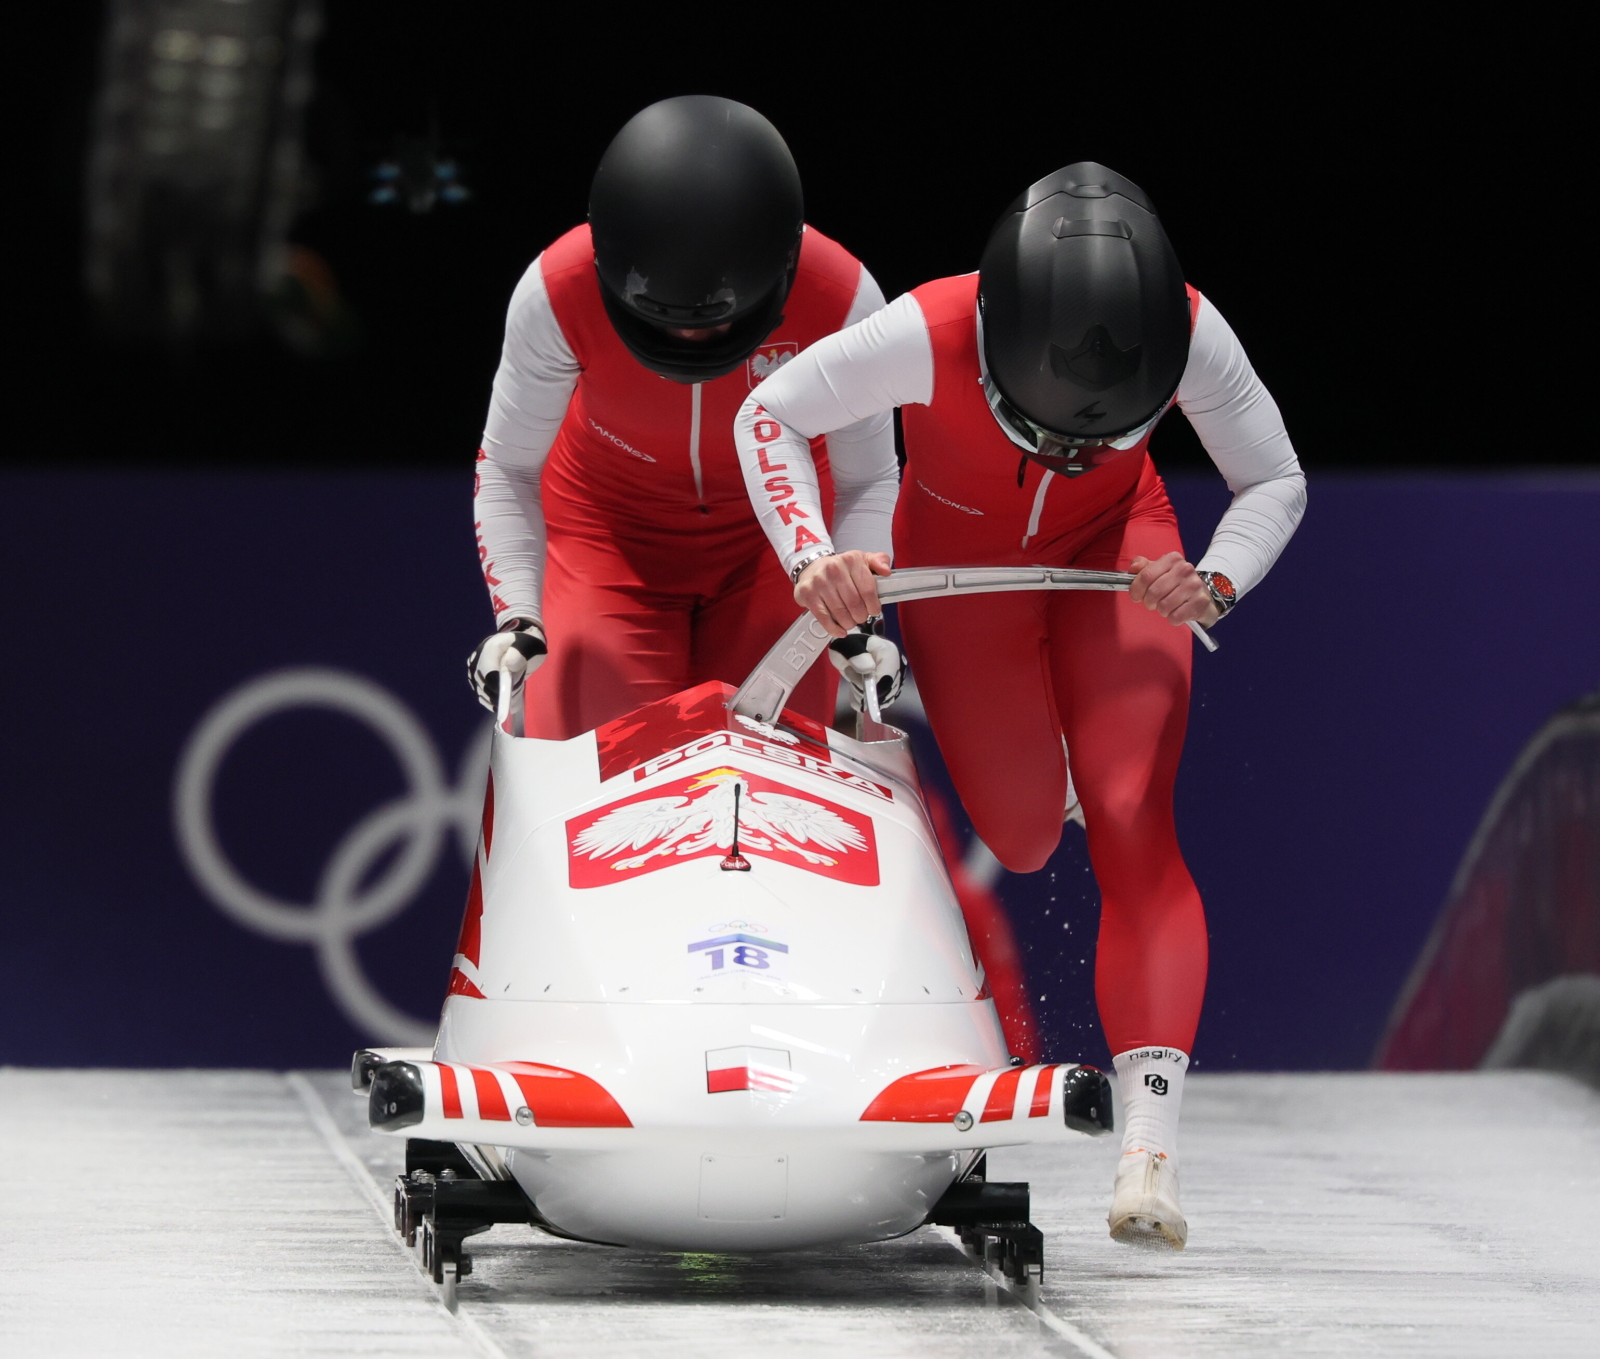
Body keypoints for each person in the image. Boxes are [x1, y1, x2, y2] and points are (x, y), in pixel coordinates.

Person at [734, 163, 1305, 1249]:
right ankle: (1067, 760)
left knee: (1134, 816)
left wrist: (1215, 579)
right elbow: (768, 413)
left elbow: (1273, 480)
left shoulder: (1191, 330)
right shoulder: (926, 328)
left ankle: (1150, 1150)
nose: (1070, 452)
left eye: (1103, 433)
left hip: (1114, 558)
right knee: (1026, 837)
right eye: (1044, 429)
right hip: (963, 577)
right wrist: (812, 558)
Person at [468, 96, 898, 735]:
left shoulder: (846, 302)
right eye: (660, 321)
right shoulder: (552, 295)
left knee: (769, 791)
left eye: (718, 321)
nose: (692, 344)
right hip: (605, 539)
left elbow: (867, 477)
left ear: (780, 266)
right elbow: (507, 467)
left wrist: (856, 610)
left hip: (778, 548)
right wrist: (518, 618)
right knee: (611, 789)